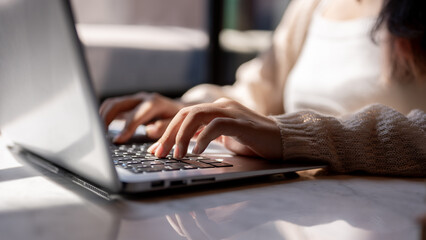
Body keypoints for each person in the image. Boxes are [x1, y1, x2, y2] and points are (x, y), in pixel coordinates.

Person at [100, 0, 426, 177]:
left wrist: (292, 135)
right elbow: (254, 95)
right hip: (300, 209)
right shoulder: (311, 6)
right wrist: (185, 109)